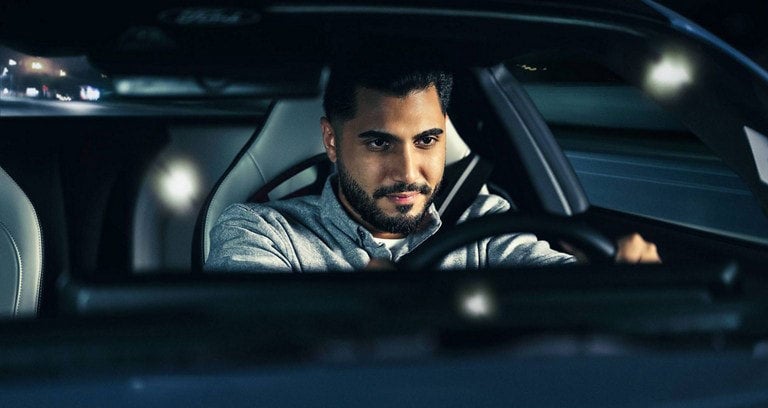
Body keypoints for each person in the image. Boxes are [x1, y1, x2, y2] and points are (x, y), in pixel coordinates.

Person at [205, 62, 660, 272]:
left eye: (426, 141)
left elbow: (542, 271)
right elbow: (253, 344)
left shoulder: (482, 224)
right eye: (380, 143)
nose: (408, 171)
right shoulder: (260, 231)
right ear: (332, 140)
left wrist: (614, 283)